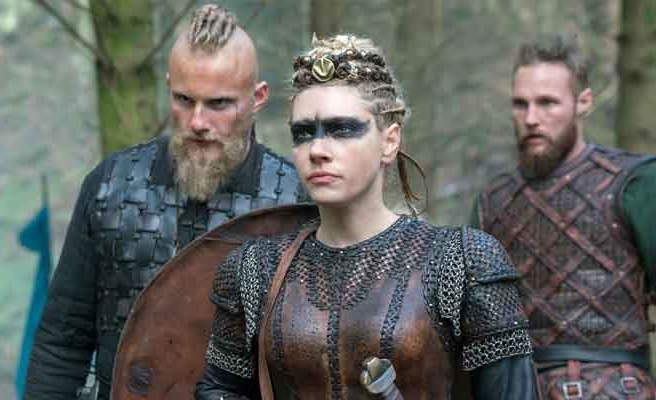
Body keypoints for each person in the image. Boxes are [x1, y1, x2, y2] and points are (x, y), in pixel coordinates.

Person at [194, 34, 538, 400]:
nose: (317, 149)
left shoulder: (464, 261)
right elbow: (218, 390)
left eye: (342, 129)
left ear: (389, 141)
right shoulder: (253, 269)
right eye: (303, 133)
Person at [23, 5, 305, 400]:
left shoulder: (296, 204)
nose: (197, 122)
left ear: (257, 98)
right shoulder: (110, 187)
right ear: (168, 86)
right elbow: (62, 342)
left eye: (218, 104)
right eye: (184, 99)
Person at [472, 33, 656, 399]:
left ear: (583, 102)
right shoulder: (491, 202)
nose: (531, 118)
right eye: (520, 104)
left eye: (547, 103)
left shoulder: (635, 184)